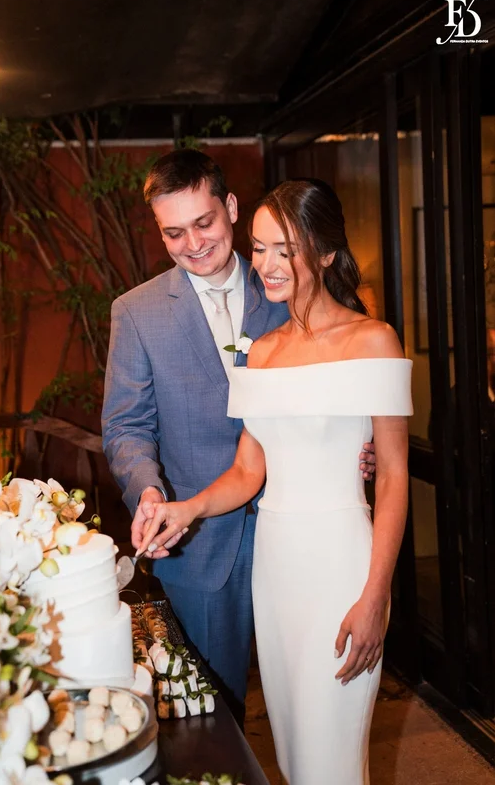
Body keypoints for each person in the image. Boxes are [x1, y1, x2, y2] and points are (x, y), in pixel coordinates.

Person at [139, 178, 412, 784]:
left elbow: (393, 475)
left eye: (283, 248)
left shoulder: (374, 340)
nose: (264, 263)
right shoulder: (260, 352)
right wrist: (186, 510)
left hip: (343, 564)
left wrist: (375, 597)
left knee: (331, 759)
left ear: (325, 252)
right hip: (276, 570)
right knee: (292, 754)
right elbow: (246, 471)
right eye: (258, 247)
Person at [101, 151, 376, 724]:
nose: (194, 243)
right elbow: (126, 427)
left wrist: (356, 445)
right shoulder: (136, 312)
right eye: (174, 232)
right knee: (213, 718)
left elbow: (343, 374)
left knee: (310, 704)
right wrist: (149, 491)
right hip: (200, 544)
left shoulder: (289, 281)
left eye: (204, 223)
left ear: (230, 207)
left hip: (298, 537)